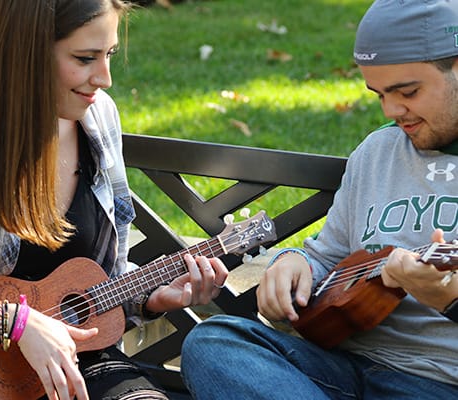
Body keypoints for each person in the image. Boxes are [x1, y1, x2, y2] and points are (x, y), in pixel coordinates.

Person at [0, 1, 228, 399]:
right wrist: (10, 324)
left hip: (81, 368)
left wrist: (147, 298)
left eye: (108, 55)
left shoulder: (99, 118)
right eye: (85, 58)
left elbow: (95, 282)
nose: (105, 78)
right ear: (26, 54)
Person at [180, 0, 458, 399]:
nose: (393, 110)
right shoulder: (378, 151)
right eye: (379, 94)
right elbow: (329, 257)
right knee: (215, 342)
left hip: (437, 384)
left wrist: (448, 300)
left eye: (407, 91)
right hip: (339, 367)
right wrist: (292, 262)